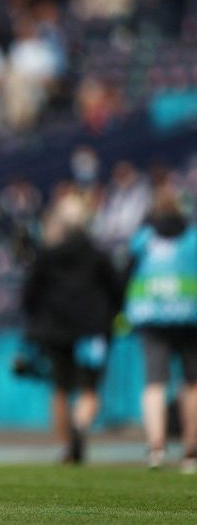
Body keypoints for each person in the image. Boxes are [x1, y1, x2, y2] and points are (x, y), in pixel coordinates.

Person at [22, 193, 123, 464]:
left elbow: (29, 294)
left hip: (56, 330)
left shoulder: (48, 255)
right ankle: (80, 424)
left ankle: (67, 446)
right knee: (90, 387)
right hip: (92, 330)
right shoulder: (98, 256)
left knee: (60, 387)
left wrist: (36, 321)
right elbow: (117, 290)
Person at [124, 186, 197, 473]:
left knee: (154, 382)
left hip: (150, 316)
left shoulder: (143, 239)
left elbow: (126, 274)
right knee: (192, 383)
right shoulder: (193, 238)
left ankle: (156, 448)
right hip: (190, 317)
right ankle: (191, 452)